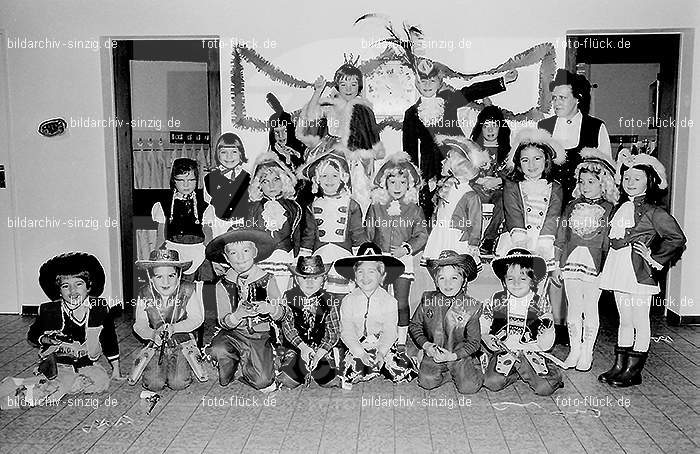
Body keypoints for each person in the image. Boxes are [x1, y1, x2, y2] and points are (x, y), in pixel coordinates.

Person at [598, 150, 686, 387]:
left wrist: (653, 256)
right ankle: (620, 365)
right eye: (627, 178)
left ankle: (634, 370)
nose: (630, 183)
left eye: (637, 179)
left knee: (639, 320)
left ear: (650, 181)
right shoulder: (620, 207)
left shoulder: (654, 211)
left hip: (639, 271)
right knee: (624, 319)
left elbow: (676, 238)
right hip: (618, 268)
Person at [403, 59, 517, 223]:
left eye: (432, 80)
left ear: (439, 82)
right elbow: (410, 151)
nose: (428, 84)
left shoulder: (449, 99)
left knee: (462, 204)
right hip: (431, 170)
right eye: (423, 80)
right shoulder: (410, 113)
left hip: (460, 164)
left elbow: (472, 91)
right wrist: (415, 180)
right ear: (417, 84)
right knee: (433, 211)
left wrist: (502, 81)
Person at [497, 128, 565, 342]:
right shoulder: (513, 186)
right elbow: (513, 212)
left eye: (537, 159)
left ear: (546, 161)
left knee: (538, 291)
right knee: (515, 285)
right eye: (525, 160)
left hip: (543, 243)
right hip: (518, 242)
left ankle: (534, 333)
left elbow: (553, 215)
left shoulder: (555, 187)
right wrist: (521, 243)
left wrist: (545, 244)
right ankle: (509, 330)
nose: (532, 165)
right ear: (518, 163)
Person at [552, 148, 618, 371]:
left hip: (595, 263)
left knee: (590, 307)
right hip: (571, 262)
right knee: (573, 307)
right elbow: (561, 237)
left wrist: (607, 268)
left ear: (604, 183)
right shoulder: (571, 207)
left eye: (592, 181)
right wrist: (556, 265)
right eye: (582, 181)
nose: (586, 186)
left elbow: (610, 242)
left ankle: (587, 351)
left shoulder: (610, 209)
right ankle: (574, 350)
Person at [296, 56, 386, 213]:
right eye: (344, 84)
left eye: (353, 84)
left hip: (357, 159)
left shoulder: (365, 109)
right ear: (338, 86)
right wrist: (317, 92)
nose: (349, 89)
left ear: (359, 87)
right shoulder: (329, 106)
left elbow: (372, 140)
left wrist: (369, 158)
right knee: (332, 194)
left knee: (359, 195)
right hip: (333, 155)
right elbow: (310, 117)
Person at [205, 228, 285, 391]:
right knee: (217, 349)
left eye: (246, 250)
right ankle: (232, 364)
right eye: (233, 253)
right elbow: (223, 321)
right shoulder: (223, 285)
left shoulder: (267, 279)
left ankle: (252, 364)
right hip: (232, 334)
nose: (240, 257)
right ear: (226, 258)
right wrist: (237, 315)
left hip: (259, 335)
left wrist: (270, 308)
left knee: (262, 381)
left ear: (254, 252)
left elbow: (283, 312)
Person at [28, 252, 120, 390]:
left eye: (79, 284)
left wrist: (116, 370)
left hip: (87, 363)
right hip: (60, 363)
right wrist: (46, 339)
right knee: (63, 383)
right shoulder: (49, 311)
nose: (73, 291)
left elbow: (109, 340)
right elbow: (32, 335)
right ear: (58, 290)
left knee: (101, 383)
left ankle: (75, 380)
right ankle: (50, 374)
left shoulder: (99, 309)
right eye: (65, 286)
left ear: (88, 287)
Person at [366, 152, 428, 350]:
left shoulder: (414, 209)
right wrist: (369, 254)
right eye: (393, 182)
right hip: (379, 260)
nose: (398, 187)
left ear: (409, 185)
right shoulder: (376, 207)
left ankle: (401, 340)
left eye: (402, 182)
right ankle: (377, 337)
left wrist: (406, 248)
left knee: (401, 300)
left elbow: (421, 235)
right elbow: (367, 233)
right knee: (377, 300)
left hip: (403, 260)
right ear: (385, 183)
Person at [481, 249, 563, 396]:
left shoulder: (540, 304)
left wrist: (548, 331)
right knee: (491, 382)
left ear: (533, 280)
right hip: (504, 351)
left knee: (545, 388)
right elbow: (484, 322)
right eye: (510, 279)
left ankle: (540, 370)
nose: (516, 283)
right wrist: (485, 336)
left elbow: (546, 345)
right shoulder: (497, 300)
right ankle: (517, 372)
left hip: (531, 352)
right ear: (504, 281)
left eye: (523, 278)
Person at [334, 243, 417, 387]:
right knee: (349, 371)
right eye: (360, 272)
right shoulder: (348, 300)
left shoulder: (390, 301)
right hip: (358, 345)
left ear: (382, 276)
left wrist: (382, 352)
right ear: (354, 275)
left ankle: (390, 363)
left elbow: (390, 331)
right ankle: (366, 367)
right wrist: (360, 352)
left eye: (372, 271)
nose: (365, 277)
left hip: (381, 345)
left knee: (399, 370)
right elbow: (346, 331)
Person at [131, 248, 205, 391]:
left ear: (179, 275)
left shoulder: (188, 289)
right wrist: (152, 334)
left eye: (171, 275)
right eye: (159, 277)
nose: (166, 281)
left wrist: (175, 328)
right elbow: (139, 324)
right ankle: (156, 364)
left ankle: (182, 365)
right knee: (153, 384)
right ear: (151, 277)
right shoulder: (144, 293)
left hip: (183, 343)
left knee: (178, 383)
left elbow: (197, 318)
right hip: (156, 344)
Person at [410, 250, 483, 394]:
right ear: (436, 281)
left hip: (459, 355)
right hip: (434, 353)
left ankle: (472, 367)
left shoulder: (471, 307)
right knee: (426, 382)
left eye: (454, 278)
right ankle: (449, 375)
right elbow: (415, 325)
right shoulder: (428, 300)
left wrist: (453, 356)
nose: (447, 283)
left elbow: (474, 342)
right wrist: (427, 346)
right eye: (442, 278)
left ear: (464, 280)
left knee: (469, 388)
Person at [538, 69, 613, 204]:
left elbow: (606, 173)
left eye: (562, 98)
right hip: (548, 202)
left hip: (585, 202)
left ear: (578, 98)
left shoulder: (596, 127)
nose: (556, 103)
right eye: (554, 98)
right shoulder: (543, 127)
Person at [301, 151, 367, 299]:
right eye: (324, 176)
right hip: (320, 258)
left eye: (334, 175)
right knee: (321, 298)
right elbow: (309, 235)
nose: (329, 180)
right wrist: (303, 256)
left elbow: (357, 234)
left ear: (342, 178)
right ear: (317, 179)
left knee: (343, 298)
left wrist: (362, 259)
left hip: (343, 257)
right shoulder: (312, 206)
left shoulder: (351, 205)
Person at [248, 153, 315, 291]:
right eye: (265, 181)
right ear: (259, 185)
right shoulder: (253, 208)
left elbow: (302, 234)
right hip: (261, 261)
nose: (271, 185)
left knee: (282, 295)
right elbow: (248, 235)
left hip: (285, 259)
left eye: (276, 179)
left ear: (284, 181)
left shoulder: (295, 207)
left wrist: (299, 258)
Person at [423, 137, 490, 269]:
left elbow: (476, 221)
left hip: (457, 239)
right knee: (439, 269)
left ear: (460, 164)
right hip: (440, 235)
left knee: (457, 270)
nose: (443, 161)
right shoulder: (446, 186)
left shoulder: (470, 195)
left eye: (447, 158)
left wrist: (474, 242)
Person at [277, 256, 341, 388]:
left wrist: (321, 351)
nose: (310, 283)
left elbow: (333, 331)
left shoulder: (329, 300)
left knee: (329, 381)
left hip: (320, 348)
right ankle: (299, 368)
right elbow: (288, 328)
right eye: (305, 278)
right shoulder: (288, 297)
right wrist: (303, 348)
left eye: (315, 278)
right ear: (296, 279)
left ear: (323, 279)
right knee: (287, 380)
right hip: (297, 347)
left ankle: (317, 365)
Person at [152, 157, 214, 281]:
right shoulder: (163, 206)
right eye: (181, 180)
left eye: (191, 180)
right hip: (173, 255)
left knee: (201, 294)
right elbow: (160, 238)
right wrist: (155, 260)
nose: (186, 185)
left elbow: (208, 238)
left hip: (199, 255)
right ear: (174, 181)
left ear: (197, 181)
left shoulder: (205, 207)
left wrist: (215, 260)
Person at [469, 105, 512, 255]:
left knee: (505, 199)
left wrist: (499, 181)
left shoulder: (508, 152)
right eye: (486, 126)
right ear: (480, 128)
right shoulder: (472, 150)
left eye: (494, 126)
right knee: (470, 196)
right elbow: (464, 172)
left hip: (497, 191)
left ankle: (489, 239)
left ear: (501, 128)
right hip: (477, 189)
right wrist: (479, 180)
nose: (490, 130)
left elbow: (513, 175)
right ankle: (470, 238)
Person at [204, 133, 251, 239]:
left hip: (241, 224)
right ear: (218, 154)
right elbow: (207, 206)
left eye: (234, 152)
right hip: (218, 225)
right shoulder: (209, 179)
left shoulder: (248, 178)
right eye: (224, 152)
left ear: (241, 154)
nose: (229, 157)